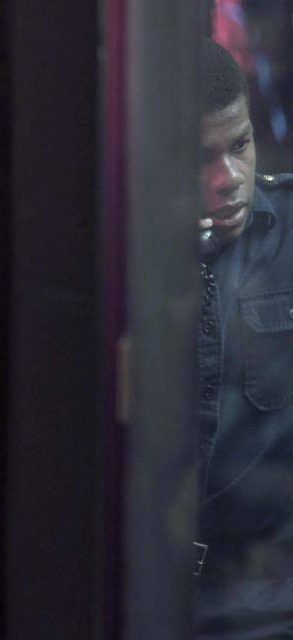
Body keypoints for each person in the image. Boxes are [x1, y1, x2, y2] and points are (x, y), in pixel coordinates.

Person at [194, 37, 293, 638]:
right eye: (200, 157)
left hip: (268, 594)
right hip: (142, 584)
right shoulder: (114, 255)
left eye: (240, 145)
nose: (229, 177)